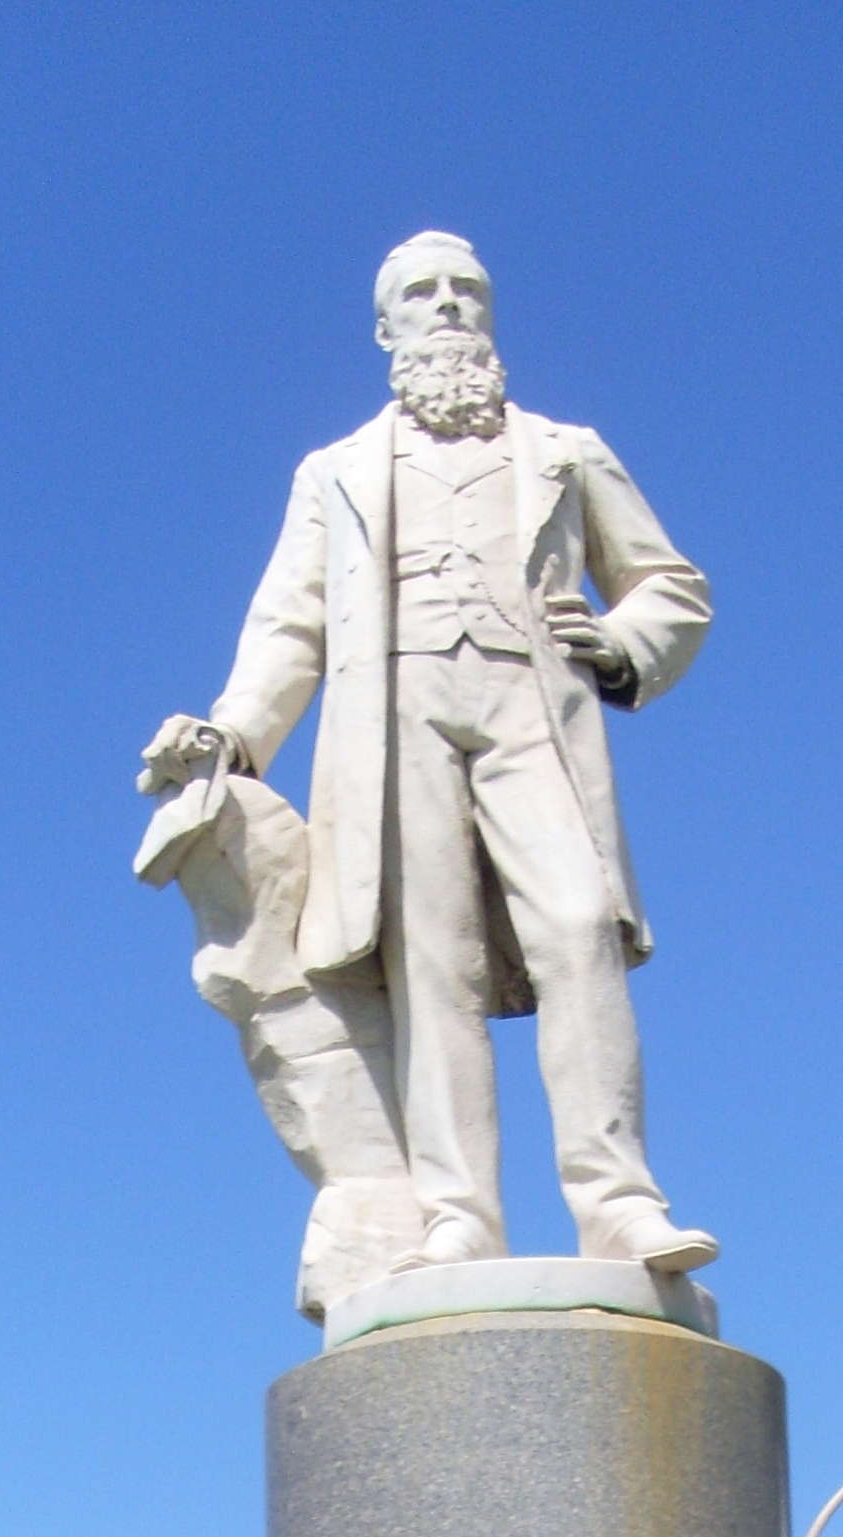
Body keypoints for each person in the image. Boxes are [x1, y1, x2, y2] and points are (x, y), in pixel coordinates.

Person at [142, 232, 716, 1272]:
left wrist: (624, 644)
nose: (448, 305)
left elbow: (671, 584)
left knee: (581, 929)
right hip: (394, 715)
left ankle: (618, 1201)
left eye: (467, 290)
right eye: (422, 292)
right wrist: (233, 732)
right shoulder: (336, 473)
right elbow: (289, 625)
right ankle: (459, 1218)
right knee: (431, 967)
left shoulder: (565, 448)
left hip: (531, 704)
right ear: (385, 327)